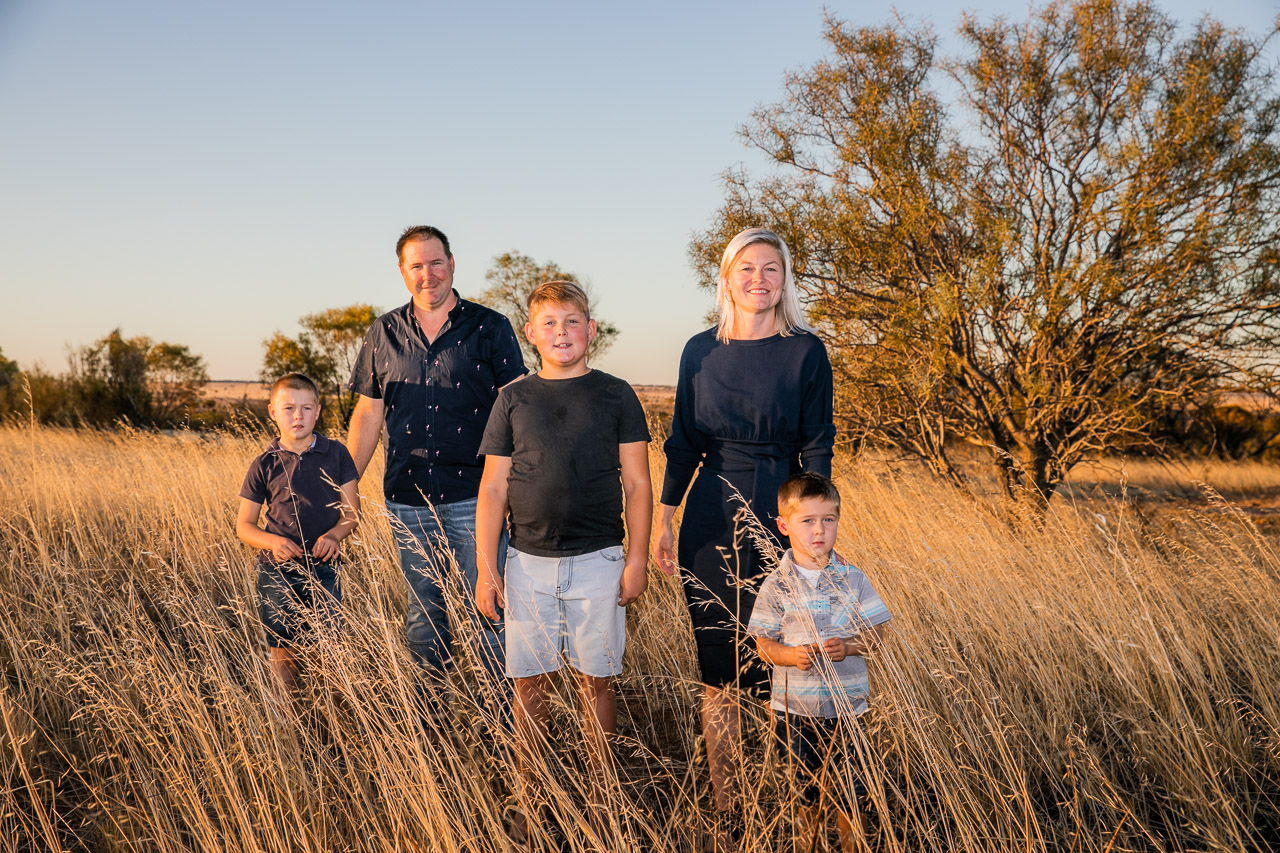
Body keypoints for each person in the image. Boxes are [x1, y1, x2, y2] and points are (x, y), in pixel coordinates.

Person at [652, 226, 835, 849]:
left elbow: (818, 442)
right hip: (709, 509)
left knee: (792, 661)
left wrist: (809, 527)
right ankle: (728, 806)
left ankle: (805, 802)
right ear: (725, 278)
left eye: (772, 269)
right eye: (746, 269)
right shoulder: (699, 350)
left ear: (786, 279)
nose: (759, 279)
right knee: (718, 667)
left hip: (781, 504)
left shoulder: (806, 352)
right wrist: (667, 515)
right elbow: (682, 441)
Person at [474, 281, 652, 840]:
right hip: (527, 561)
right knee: (531, 684)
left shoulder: (616, 395)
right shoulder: (513, 398)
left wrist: (638, 558)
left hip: (600, 559)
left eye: (572, 322)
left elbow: (638, 484)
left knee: (595, 680)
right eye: (549, 323)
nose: (561, 333)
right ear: (530, 333)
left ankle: (603, 800)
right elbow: (493, 489)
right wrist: (487, 567)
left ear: (591, 330)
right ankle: (533, 796)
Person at [347, 225, 527, 694]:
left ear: (452, 263)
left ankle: (501, 728)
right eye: (417, 266)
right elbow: (368, 414)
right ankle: (432, 728)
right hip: (408, 498)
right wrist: (346, 488)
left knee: (488, 610)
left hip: (477, 497)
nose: (428, 274)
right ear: (403, 272)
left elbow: (516, 408)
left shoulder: (491, 327)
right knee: (424, 614)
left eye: (436, 262)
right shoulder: (383, 332)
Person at [748, 473, 891, 853]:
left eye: (829, 520)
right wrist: (789, 656)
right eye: (807, 521)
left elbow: (877, 634)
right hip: (793, 711)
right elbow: (762, 643)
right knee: (805, 792)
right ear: (783, 525)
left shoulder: (853, 578)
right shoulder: (776, 584)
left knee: (852, 791)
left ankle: (851, 845)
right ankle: (805, 844)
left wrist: (850, 646)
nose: (819, 531)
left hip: (849, 710)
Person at [236, 372, 361, 698]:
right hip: (276, 572)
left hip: (324, 567)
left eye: (306, 408)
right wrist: (273, 542)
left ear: (318, 412)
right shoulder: (264, 463)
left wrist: (335, 536)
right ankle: (289, 726)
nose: (298, 416)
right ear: (273, 412)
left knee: (330, 650)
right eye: (289, 408)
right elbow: (244, 525)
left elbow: (351, 514)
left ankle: (332, 720)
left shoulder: (337, 454)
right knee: (283, 651)